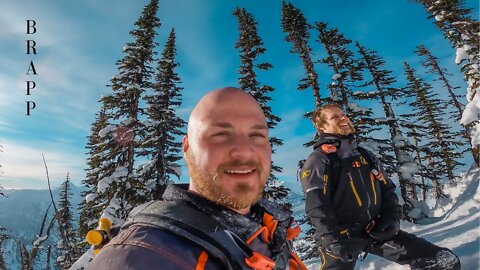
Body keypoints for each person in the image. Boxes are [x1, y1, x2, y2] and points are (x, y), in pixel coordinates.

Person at [88, 87, 307, 270]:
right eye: (221, 134)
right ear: (187, 146)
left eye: (257, 135)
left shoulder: (270, 227)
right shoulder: (141, 255)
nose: (245, 151)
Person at [299, 103, 461, 270]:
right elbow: (316, 205)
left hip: (376, 229)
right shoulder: (319, 159)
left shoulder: (365, 155)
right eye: (335, 117)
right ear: (322, 127)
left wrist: (391, 218)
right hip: (342, 237)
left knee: (444, 261)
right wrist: (331, 238)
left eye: (343, 115)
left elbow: (388, 190)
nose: (343, 118)